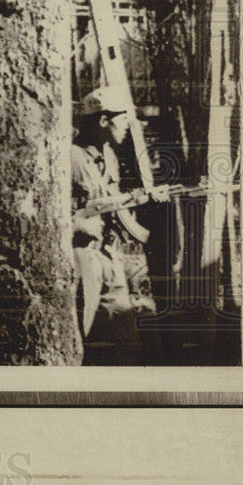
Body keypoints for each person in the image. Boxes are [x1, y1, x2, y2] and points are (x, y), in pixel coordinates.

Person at [71, 86, 144, 365]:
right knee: (82, 339)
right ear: (103, 120)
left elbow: (110, 205)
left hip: (109, 257)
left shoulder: (109, 158)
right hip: (82, 260)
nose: (127, 126)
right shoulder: (70, 157)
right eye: (123, 119)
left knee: (127, 344)